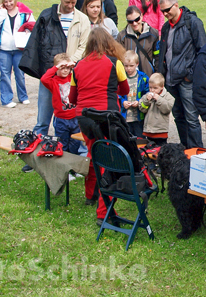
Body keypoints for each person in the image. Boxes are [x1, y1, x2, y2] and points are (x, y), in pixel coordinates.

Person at [19, 0, 91, 145]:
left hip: (71, 77)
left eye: (73, 3)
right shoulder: (47, 16)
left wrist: (70, 62)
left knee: (73, 120)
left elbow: (84, 45)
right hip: (51, 77)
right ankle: (36, 153)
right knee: (43, 120)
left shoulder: (82, 19)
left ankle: (70, 154)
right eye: (67, 2)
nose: (70, 6)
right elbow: (38, 45)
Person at [70, 28, 129, 219]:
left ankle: (91, 195)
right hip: (106, 117)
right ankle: (104, 211)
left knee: (93, 154)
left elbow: (72, 97)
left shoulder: (78, 66)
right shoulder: (114, 63)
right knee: (109, 160)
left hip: (84, 117)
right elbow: (125, 89)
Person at [156, 0, 206, 149]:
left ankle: (197, 151)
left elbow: (202, 52)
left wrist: (190, 75)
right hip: (171, 80)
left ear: (176, 5)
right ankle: (185, 149)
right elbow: (164, 52)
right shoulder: (166, 27)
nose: (165, 14)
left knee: (191, 118)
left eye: (167, 10)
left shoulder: (193, 23)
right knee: (178, 116)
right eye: (162, 11)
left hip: (186, 81)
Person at [0, 0, 34, 108]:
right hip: (4, 49)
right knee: (5, 74)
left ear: (14, 0)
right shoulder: (0, 12)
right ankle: (6, 99)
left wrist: (27, 29)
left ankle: (23, 96)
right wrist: (2, 13)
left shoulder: (24, 12)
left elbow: (33, 24)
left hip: (18, 48)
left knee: (20, 73)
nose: (8, 4)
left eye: (10, 1)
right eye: (6, 2)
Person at [40, 53, 85, 157]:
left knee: (75, 144)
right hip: (61, 119)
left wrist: (75, 66)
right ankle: (64, 168)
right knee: (62, 144)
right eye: (62, 68)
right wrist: (55, 68)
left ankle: (73, 167)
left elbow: (83, 75)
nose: (65, 70)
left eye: (67, 68)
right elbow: (44, 79)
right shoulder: (53, 81)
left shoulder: (72, 77)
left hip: (75, 118)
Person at [117, 6, 158, 77]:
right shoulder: (122, 36)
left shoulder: (153, 33)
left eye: (137, 19)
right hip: (129, 79)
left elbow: (158, 57)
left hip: (148, 77)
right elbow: (118, 59)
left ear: (141, 16)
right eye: (130, 21)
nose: (134, 23)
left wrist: (157, 74)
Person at [119, 51, 149, 138]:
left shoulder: (142, 77)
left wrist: (139, 101)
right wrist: (123, 102)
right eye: (126, 66)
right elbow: (116, 93)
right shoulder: (121, 77)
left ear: (137, 64)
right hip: (125, 116)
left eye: (131, 66)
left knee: (140, 139)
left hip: (139, 116)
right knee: (126, 139)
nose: (128, 68)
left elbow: (147, 93)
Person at [139, 73, 174, 146]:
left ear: (162, 87)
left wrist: (158, 99)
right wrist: (146, 100)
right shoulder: (147, 95)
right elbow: (142, 108)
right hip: (149, 131)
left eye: (155, 88)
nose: (152, 90)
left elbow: (166, 109)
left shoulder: (168, 97)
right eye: (150, 88)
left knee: (161, 151)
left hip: (161, 131)